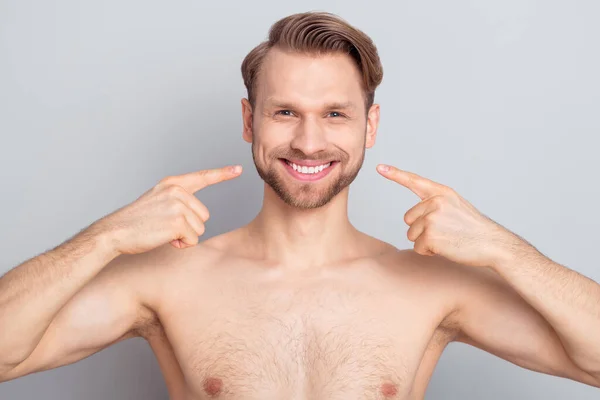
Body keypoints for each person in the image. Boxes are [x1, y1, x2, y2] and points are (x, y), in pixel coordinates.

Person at [1, 11, 599, 400]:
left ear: (371, 125)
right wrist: (104, 237)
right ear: (248, 120)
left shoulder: (430, 287)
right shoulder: (171, 280)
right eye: (285, 111)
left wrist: (503, 250)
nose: (309, 142)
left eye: (334, 114)